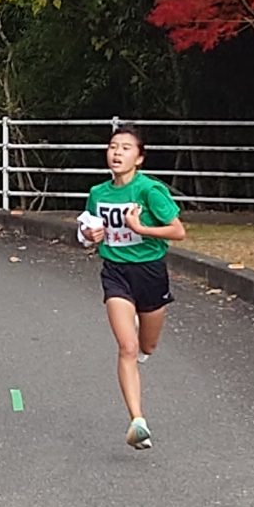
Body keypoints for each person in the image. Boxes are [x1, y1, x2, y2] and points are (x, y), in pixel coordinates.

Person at [78, 126, 187, 449]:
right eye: (113, 146)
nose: (117, 153)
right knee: (127, 347)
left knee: (146, 347)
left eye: (126, 148)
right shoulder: (98, 193)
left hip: (150, 272)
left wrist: (140, 228)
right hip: (116, 272)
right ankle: (137, 421)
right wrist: (89, 236)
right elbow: (87, 231)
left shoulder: (149, 190)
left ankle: (141, 336)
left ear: (139, 158)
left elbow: (178, 231)